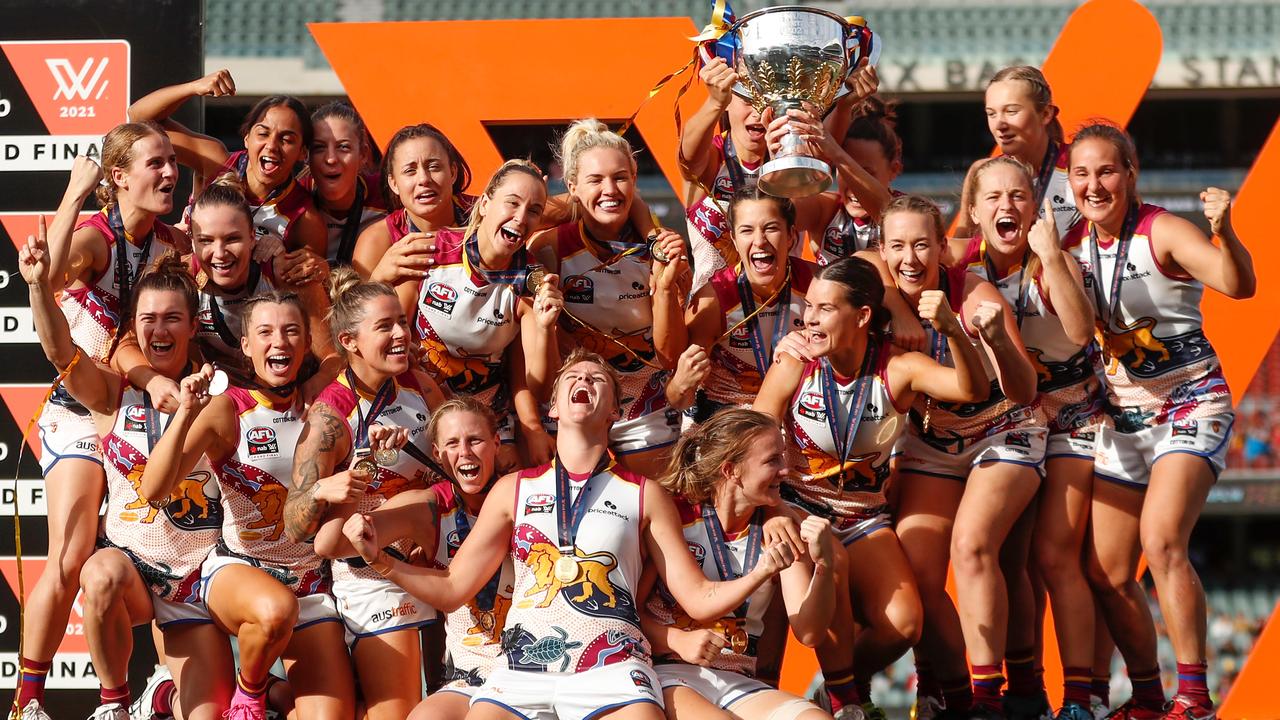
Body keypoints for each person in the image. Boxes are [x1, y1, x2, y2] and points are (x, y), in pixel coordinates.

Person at [342, 349, 797, 720]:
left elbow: (697, 598)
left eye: (598, 379)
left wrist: (761, 570)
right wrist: (381, 560)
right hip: (522, 665)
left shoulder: (647, 495)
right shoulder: (511, 489)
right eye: (573, 376)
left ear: (615, 412)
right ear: (554, 406)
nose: (585, 378)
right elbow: (452, 589)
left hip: (612, 664)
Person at [1067, 123, 1254, 720]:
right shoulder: (1069, 243)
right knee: (1106, 571)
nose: (1094, 185)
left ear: (1131, 172)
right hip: (1123, 418)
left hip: (1190, 402)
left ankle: (1195, 698)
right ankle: (1148, 697)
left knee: (1163, 540)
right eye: (1082, 173)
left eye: (1107, 171)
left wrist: (1225, 233)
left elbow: (1237, 284)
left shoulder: (1163, 230)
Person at [753, 255, 990, 720]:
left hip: (865, 515)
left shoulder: (897, 368)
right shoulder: (795, 362)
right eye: (809, 307)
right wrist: (771, 510)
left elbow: (973, 389)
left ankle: (835, 691)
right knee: (830, 561)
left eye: (825, 308)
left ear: (862, 316)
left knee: (905, 626)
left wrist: (954, 331)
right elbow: (751, 440)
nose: (810, 318)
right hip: (800, 509)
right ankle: (847, 706)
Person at [13, 124, 183, 720]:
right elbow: (51, 276)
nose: (170, 173)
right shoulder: (97, 235)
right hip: (85, 410)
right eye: (155, 164)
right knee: (70, 556)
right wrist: (72, 194)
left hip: (144, 411)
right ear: (118, 178)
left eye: (171, 161)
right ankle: (28, 701)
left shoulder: (170, 243)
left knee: (175, 546)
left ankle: (161, 690)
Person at [20, 241, 224, 720]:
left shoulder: (221, 396)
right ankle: (114, 706)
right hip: (133, 571)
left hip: (193, 584)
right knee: (98, 571)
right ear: (133, 328)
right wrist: (38, 289)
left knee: (205, 715)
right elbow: (61, 353)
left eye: (173, 318)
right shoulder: (113, 395)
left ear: (194, 327)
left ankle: (163, 696)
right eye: (148, 319)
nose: (159, 328)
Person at [139, 292, 356, 720]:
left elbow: (347, 358)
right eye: (266, 332)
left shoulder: (330, 404)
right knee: (275, 611)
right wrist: (185, 412)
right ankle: (249, 696)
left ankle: (272, 694)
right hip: (240, 572)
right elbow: (153, 489)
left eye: (292, 331)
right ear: (245, 345)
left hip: (311, 584)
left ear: (307, 342)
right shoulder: (229, 408)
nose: (280, 341)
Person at [880, 194, 1039, 719]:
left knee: (972, 546)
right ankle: (951, 692)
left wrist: (988, 334)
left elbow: (1024, 390)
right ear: (881, 252)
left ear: (943, 250)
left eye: (923, 244)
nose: (910, 258)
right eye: (898, 246)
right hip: (933, 442)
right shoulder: (876, 295)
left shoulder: (972, 293)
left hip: (1003, 430)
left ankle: (989, 700)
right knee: (916, 571)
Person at [957, 157, 1099, 720]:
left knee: (1056, 557)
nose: (1006, 207)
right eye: (992, 198)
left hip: (1075, 415)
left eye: (1018, 195)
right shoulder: (961, 262)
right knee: (1009, 558)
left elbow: (1080, 330)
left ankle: (1082, 700)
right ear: (972, 211)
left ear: (1036, 207)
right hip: (1011, 418)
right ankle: (1022, 691)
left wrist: (1050, 257)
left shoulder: (1054, 259)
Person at [282, 270, 447, 720]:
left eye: (402, 322)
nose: (401, 335)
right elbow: (294, 523)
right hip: (374, 582)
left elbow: (457, 462)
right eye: (385, 327)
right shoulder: (330, 416)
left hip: (438, 565)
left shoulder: (419, 384)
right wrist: (329, 485)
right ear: (349, 342)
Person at [642, 407, 837, 720]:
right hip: (669, 670)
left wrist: (826, 567)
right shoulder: (673, 515)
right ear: (731, 470)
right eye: (773, 460)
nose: (786, 470)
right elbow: (626, 613)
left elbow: (810, 632)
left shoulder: (782, 525)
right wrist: (677, 639)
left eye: (783, 457)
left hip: (738, 680)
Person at [379, 159, 566, 470]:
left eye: (534, 210)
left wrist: (547, 329)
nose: (521, 218)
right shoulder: (432, 252)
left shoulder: (531, 279)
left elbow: (539, 388)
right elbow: (385, 333)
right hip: (422, 406)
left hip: (490, 420)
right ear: (486, 202)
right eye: (513, 203)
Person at [527, 118, 689, 476]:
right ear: (571, 185)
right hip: (576, 401)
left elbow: (671, 355)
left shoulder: (662, 248)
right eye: (595, 179)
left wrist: (663, 287)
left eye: (620, 177)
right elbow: (511, 216)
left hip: (643, 405)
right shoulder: (548, 247)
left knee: (648, 511)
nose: (610, 189)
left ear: (634, 180)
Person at [112, 176, 334, 396]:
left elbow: (333, 359)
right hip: (219, 400)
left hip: (288, 398)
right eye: (206, 241)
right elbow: (124, 348)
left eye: (232, 239)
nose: (220, 254)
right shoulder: (182, 277)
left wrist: (312, 392)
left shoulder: (285, 275)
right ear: (192, 241)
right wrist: (154, 383)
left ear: (252, 237)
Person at [128, 69, 327, 256]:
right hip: (188, 283)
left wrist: (279, 253)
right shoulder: (218, 162)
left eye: (286, 139)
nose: (272, 146)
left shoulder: (305, 217)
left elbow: (311, 280)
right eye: (263, 133)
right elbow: (139, 118)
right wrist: (194, 87)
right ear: (247, 138)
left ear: (303, 152)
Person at [664, 191, 816, 424]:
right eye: (747, 230)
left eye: (771, 228)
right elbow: (678, 400)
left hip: (798, 412)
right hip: (730, 418)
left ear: (791, 237)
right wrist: (679, 385)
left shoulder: (818, 285)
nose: (759, 241)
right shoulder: (712, 298)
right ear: (734, 240)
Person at [956, 66, 1078, 242]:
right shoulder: (985, 173)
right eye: (991, 114)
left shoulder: (1080, 164)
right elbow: (963, 252)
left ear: (1045, 114)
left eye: (1011, 111)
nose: (999, 124)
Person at [355, 123, 475, 300]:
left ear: (453, 172)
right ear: (393, 183)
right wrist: (378, 278)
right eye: (410, 171)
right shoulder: (377, 240)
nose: (424, 179)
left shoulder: (485, 214)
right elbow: (356, 321)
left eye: (433, 167)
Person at [799, 97, 903, 264]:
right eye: (846, 172)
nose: (854, 187)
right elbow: (777, 213)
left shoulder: (911, 213)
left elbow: (889, 214)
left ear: (894, 170)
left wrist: (837, 154)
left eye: (865, 173)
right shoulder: (825, 210)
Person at [304, 101, 388, 266]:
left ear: (363, 154)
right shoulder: (293, 200)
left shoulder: (388, 194)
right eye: (319, 148)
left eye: (343, 147)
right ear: (306, 155)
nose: (331, 159)